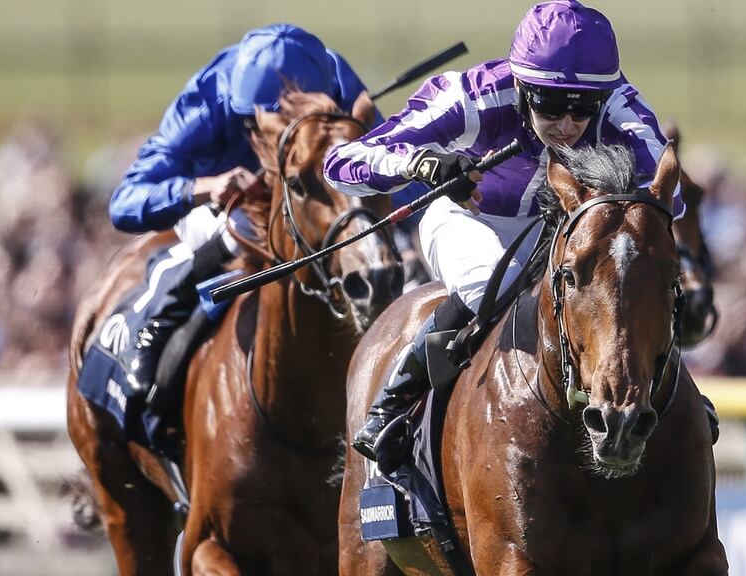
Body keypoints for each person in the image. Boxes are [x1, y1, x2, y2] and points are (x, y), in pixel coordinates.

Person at [324, 0, 709, 464]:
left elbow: (671, 199)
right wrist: (420, 164)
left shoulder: (618, 104)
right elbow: (340, 165)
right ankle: (397, 399)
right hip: (467, 219)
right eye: (549, 104)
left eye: (582, 108)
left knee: (624, 270)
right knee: (497, 281)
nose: (566, 125)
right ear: (522, 85)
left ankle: (674, 391)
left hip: (560, 230)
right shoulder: (471, 97)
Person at [109, 23, 380, 398]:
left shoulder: (337, 85)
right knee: (243, 226)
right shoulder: (206, 102)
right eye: (256, 125)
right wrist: (202, 187)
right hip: (221, 206)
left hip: (310, 203)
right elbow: (125, 202)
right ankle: (164, 319)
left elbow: (388, 174)